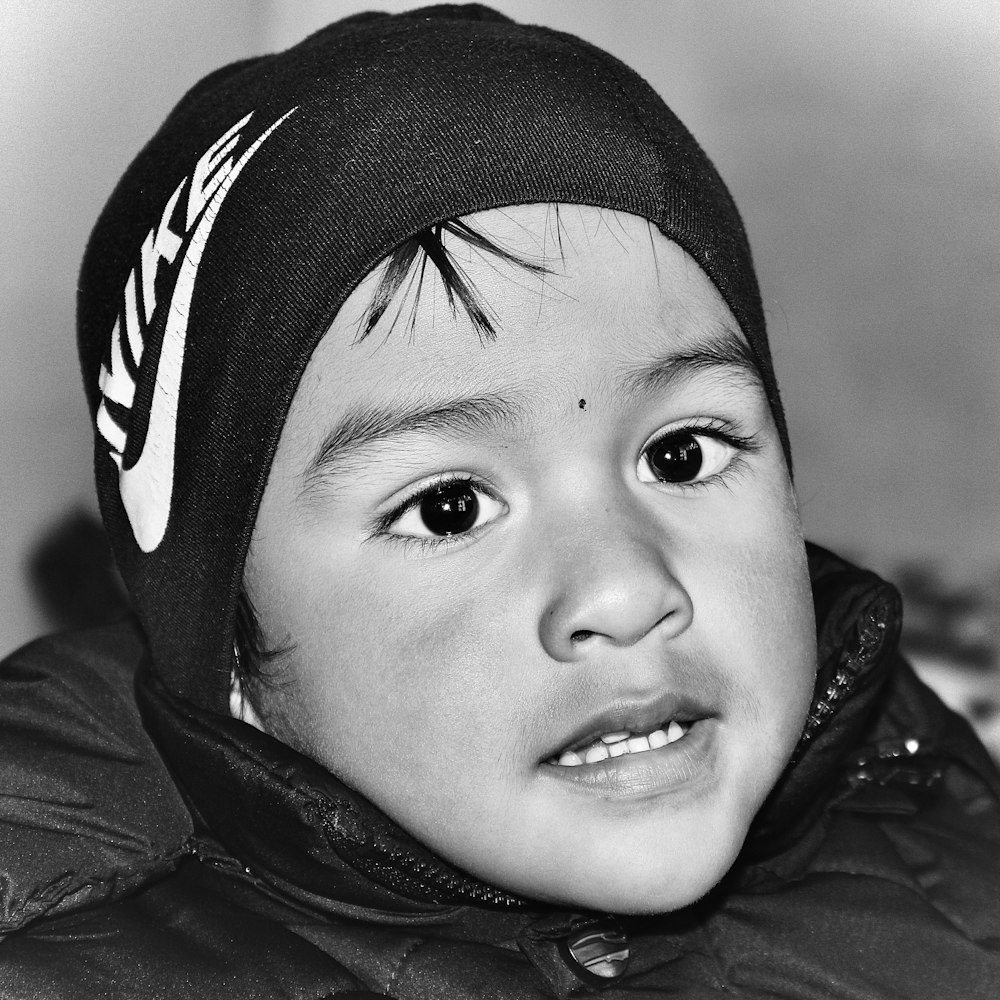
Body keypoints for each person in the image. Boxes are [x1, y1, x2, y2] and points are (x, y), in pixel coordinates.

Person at [1, 5, 998, 997]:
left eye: (681, 453)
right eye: (448, 509)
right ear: (228, 654)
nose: (621, 588)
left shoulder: (951, 871)